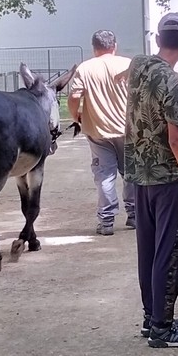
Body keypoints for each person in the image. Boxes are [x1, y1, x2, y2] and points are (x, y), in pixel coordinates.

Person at [126, 11, 178, 348]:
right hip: (168, 178)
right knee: (170, 251)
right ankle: (162, 327)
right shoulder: (176, 86)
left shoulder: (139, 66)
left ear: (159, 40)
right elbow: (176, 140)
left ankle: (152, 316)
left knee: (148, 249)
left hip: (140, 176)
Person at [67, 29, 135, 236]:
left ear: (94, 48)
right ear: (114, 46)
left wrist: (75, 116)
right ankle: (135, 216)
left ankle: (106, 222)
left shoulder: (85, 68)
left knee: (105, 175)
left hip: (98, 129)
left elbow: (75, 96)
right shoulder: (128, 65)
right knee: (132, 173)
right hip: (129, 130)